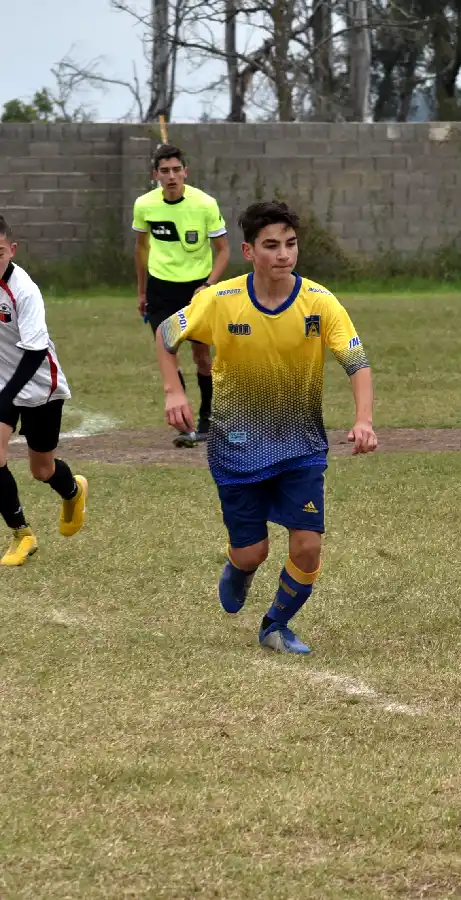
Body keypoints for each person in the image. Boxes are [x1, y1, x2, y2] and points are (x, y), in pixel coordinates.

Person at [155, 201, 377, 654]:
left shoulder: (320, 301)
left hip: (301, 446)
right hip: (237, 447)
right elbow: (165, 334)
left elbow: (356, 361)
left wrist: (363, 419)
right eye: (271, 246)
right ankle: (240, 566)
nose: (283, 255)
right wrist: (173, 390)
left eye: (290, 244)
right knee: (253, 552)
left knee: (308, 546)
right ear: (248, 251)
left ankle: (276, 624)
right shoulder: (218, 302)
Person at [0, 216, 88, 566]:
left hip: (40, 386)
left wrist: (7, 395)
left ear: (12, 249)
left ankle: (73, 491)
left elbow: (35, 351)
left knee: (42, 470)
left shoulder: (24, 289)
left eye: (0, 252)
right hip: (3, 384)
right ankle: (22, 534)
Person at [134, 144, 231, 446]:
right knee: (168, 354)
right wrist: (142, 291)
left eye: (177, 170)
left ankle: (207, 418)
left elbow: (224, 251)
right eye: (165, 171)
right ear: (156, 175)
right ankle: (185, 425)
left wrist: (209, 284)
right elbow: (141, 249)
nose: (172, 176)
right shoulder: (145, 205)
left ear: (185, 172)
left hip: (197, 290)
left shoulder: (204, 204)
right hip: (160, 289)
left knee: (202, 356)